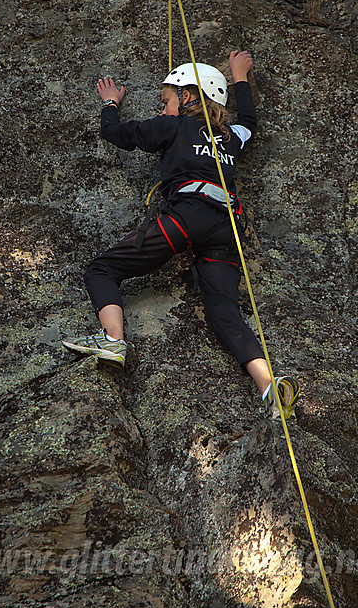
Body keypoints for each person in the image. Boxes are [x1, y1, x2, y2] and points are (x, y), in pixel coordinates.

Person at [63, 51, 299, 419]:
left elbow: (113, 133)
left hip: (189, 216)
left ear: (187, 97)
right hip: (227, 226)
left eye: (167, 101)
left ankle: (112, 340)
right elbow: (250, 120)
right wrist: (239, 75)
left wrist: (110, 103)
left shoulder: (173, 126)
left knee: (102, 270)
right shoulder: (231, 136)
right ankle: (268, 385)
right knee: (223, 309)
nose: (163, 109)